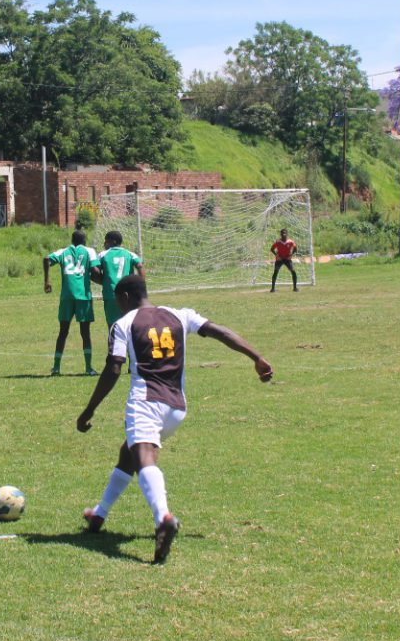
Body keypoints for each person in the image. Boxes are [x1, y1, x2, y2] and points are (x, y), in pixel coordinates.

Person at [75, 274, 272, 564]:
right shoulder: (180, 315)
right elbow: (219, 331)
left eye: (118, 301)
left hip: (145, 401)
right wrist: (256, 357)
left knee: (144, 457)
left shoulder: (123, 324)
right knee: (128, 453)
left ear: (125, 297)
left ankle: (163, 518)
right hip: (177, 407)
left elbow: (114, 368)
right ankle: (99, 514)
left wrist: (89, 410)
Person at [44, 230, 99, 376]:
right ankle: (88, 368)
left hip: (66, 296)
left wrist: (47, 281)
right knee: (85, 333)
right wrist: (103, 280)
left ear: (72, 239)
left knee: (63, 331)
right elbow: (94, 269)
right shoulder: (89, 251)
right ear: (84, 240)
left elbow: (46, 259)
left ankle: (56, 368)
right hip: (83, 296)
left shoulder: (63, 251)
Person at [93, 230, 144, 325]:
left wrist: (102, 280)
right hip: (129, 295)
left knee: (113, 327)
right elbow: (140, 266)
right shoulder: (130, 254)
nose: (104, 243)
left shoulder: (102, 254)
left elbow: (94, 269)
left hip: (111, 294)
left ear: (113, 242)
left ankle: (114, 340)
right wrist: (140, 285)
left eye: (106, 241)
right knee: (129, 325)